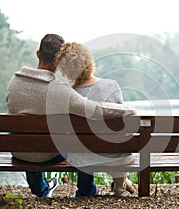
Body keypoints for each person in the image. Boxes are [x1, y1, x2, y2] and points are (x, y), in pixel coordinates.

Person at [6, 34, 136, 198]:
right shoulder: (60, 91)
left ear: (38, 54)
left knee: (30, 139)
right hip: (50, 154)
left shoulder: (14, 82)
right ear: (60, 62)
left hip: (18, 151)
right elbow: (95, 110)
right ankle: (87, 190)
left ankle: (41, 189)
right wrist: (128, 110)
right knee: (80, 139)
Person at [54, 42, 135, 196]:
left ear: (65, 71)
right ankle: (120, 187)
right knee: (116, 141)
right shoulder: (111, 85)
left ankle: (86, 190)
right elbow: (121, 122)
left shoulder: (70, 95)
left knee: (83, 144)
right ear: (88, 61)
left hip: (84, 159)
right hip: (117, 155)